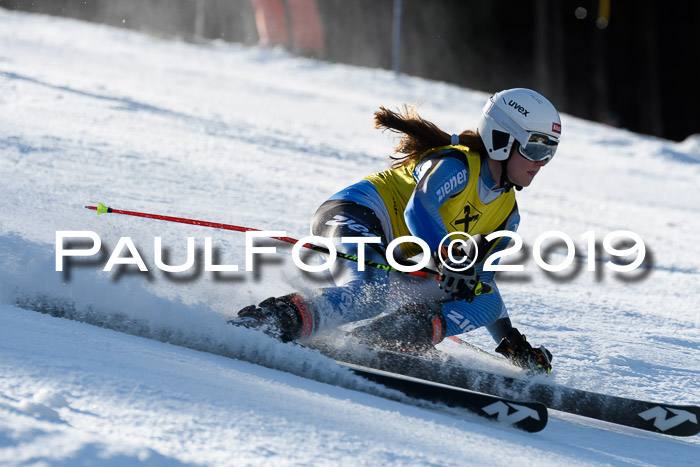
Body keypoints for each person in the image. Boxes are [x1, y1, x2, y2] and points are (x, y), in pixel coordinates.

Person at [234, 88, 561, 373]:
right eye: (535, 149)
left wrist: (510, 341)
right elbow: (418, 207)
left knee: (484, 300)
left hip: (396, 254)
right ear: (502, 139)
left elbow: (482, 283)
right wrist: (447, 256)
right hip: (355, 215)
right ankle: (271, 320)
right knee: (369, 292)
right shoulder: (458, 165)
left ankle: (390, 336)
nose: (541, 162)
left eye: (549, 152)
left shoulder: (508, 215)